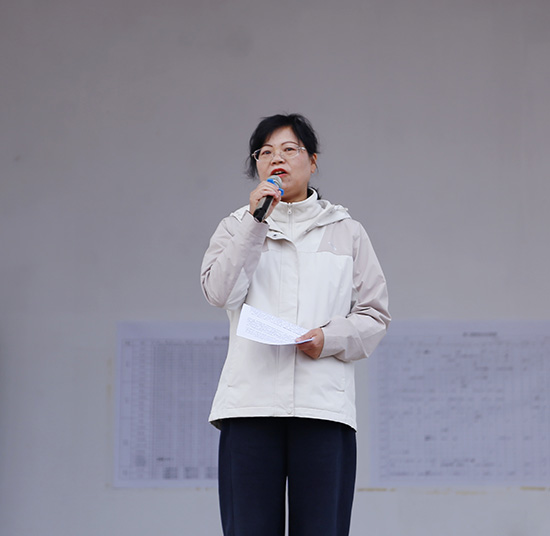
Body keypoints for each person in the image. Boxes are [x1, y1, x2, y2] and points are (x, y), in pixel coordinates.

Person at [200, 113, 390, 536]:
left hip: (322, 407)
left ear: (313, 161)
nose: (277, 159)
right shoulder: (236, 226)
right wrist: (254, 224)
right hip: (250, 406)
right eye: (265, 152)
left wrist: (328, 338)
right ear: (256, 165)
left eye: (289, 149)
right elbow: (219, 293)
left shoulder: (347, 232)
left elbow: (374, 314)